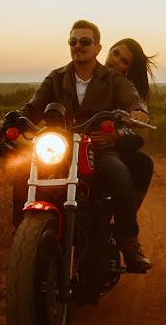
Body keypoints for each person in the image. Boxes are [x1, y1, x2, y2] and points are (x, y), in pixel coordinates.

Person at [9, 20, 153, 272]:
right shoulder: (56, 77)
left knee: (119, 174)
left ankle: (129, 242)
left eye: (85, 42)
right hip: (58, 148)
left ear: (97, 47)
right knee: (21, 172)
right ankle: (22, 238)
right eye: (73, 41)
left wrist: (138, 112)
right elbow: (33, 107)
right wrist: (12, 120)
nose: (78, 46)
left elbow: (133, 100)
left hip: (97, 150)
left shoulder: (113, 79)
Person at [102, 38, 156, 208]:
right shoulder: (85, 71)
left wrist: (139, 111)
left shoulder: (121, 83)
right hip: (70, 139)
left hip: (105, 142)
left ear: (128, 69)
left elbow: (133, 99)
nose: (116, 60)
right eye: (115, 53)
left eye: (123, 61)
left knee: (143, 162)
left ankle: (127, 221)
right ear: (109, 50)